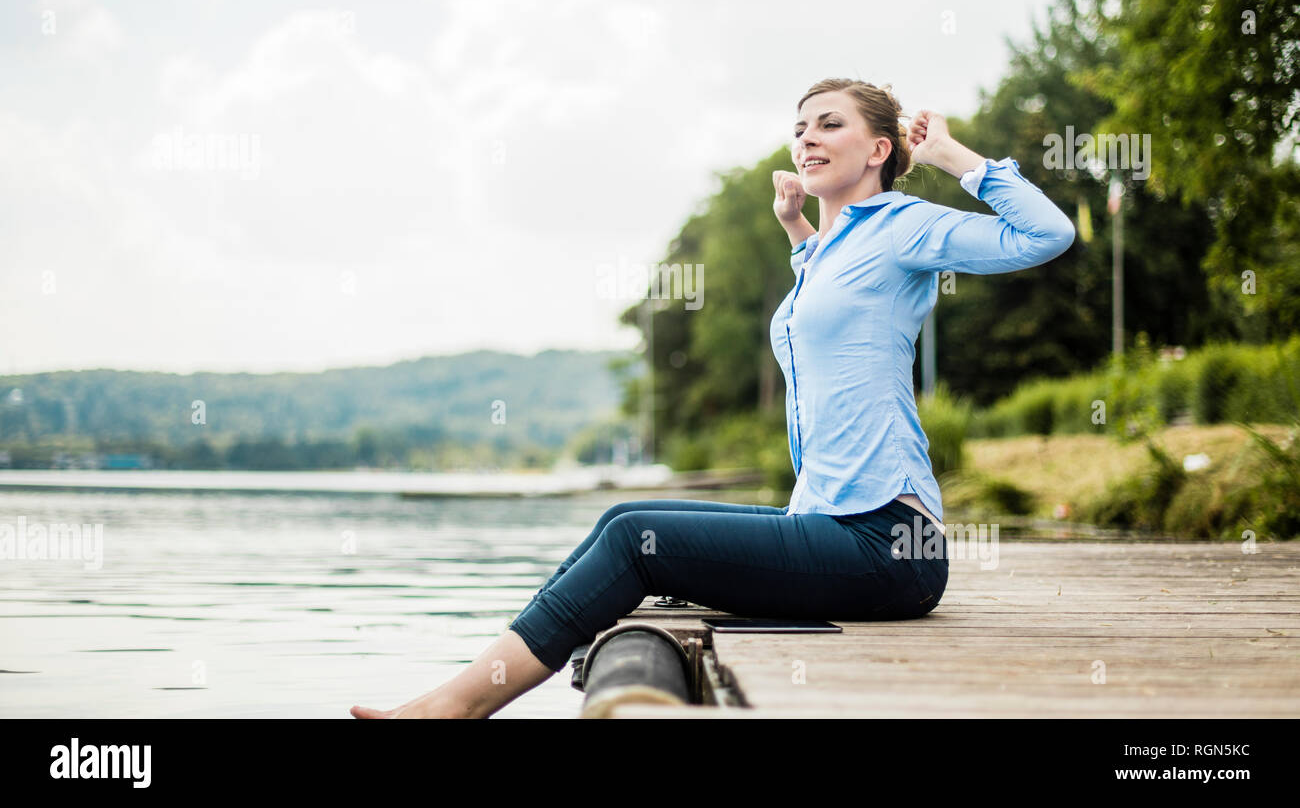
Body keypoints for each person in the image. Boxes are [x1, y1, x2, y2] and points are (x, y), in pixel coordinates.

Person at [350, 77, 1075, 719]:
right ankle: (459, 695)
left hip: (887, 544)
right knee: (624, 515)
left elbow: (1046, 234)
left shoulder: (903, 227)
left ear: (879, 149)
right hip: (828, 522)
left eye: (828, 124)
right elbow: (827, 306)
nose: (806, 138)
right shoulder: (830, 249)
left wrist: (954, 157)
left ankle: (452, 709)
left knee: (639, 545)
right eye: (799, 127)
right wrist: (797, 227)